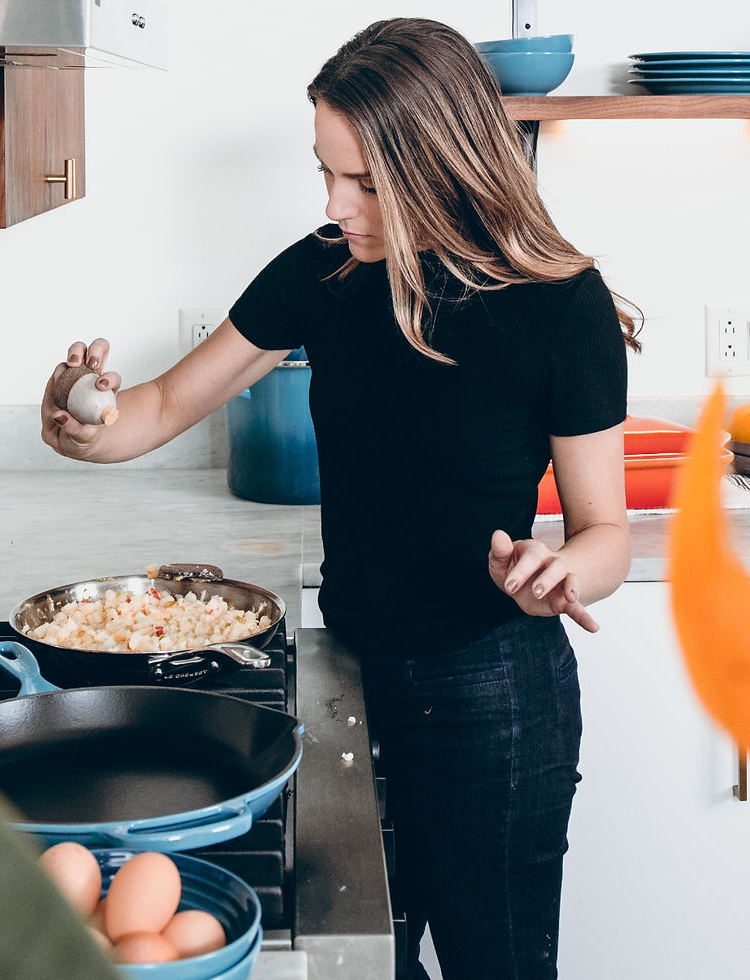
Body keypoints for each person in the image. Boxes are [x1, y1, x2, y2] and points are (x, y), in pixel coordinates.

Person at [42, 17, 641, 980]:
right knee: (361, 961)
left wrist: (560, 572)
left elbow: (604, 531)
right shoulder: (324, 270)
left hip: (493, 690)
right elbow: (152, 409)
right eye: (324, 172)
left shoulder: (559, 306)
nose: (336, 203)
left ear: (444, 164)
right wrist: (83, 420)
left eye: (363, 181)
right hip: (349, 672)